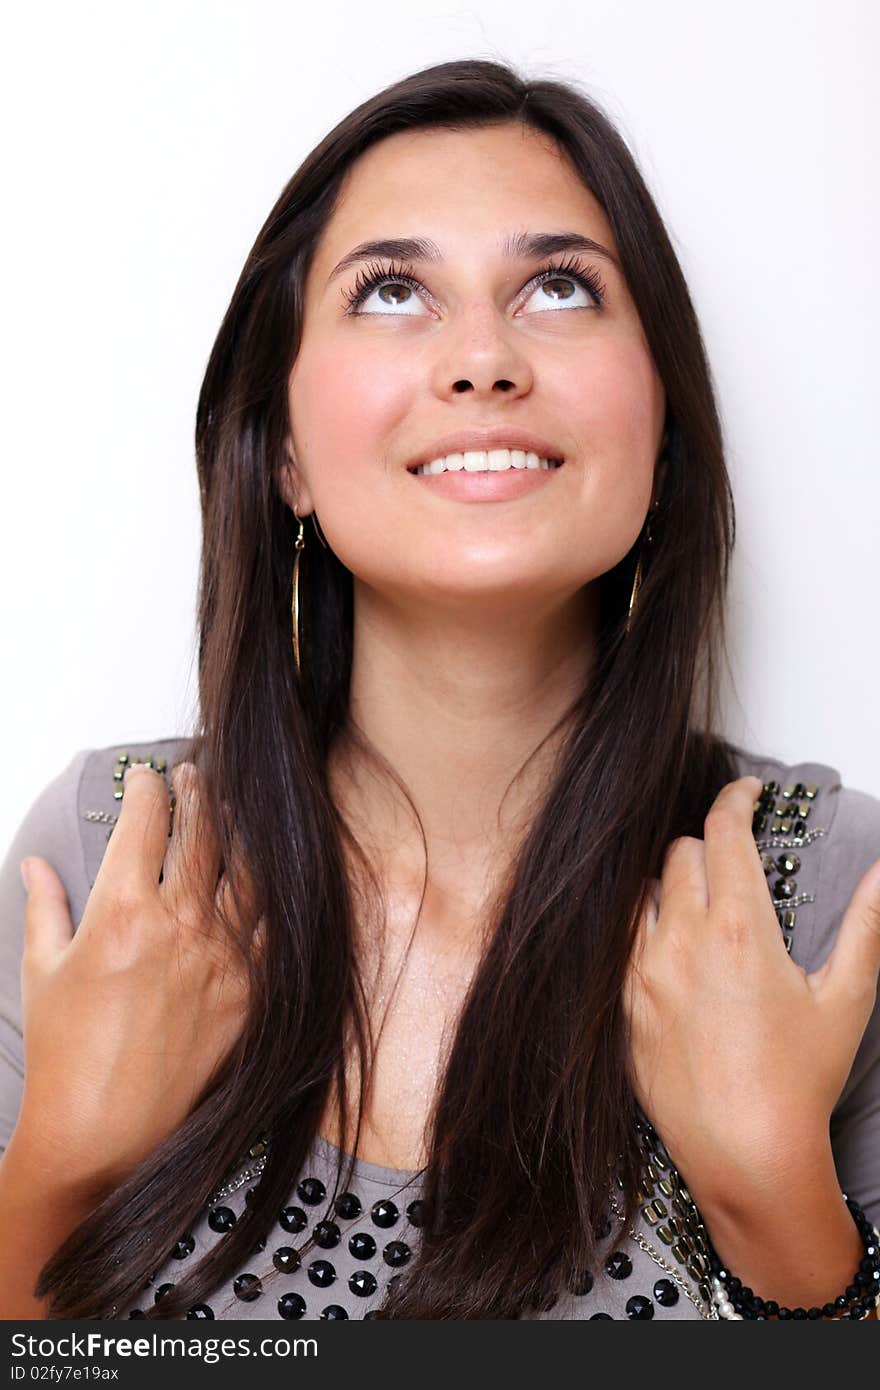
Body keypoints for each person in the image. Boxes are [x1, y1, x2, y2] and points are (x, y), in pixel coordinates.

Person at [1, 58, 878, 1323]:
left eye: (559, 287)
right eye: (395, 291)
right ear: (285, 451)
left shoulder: (820, 895)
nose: (481, 357)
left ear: (664, 427)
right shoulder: (113, 864)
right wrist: (58, 1170)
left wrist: (789, 1225)